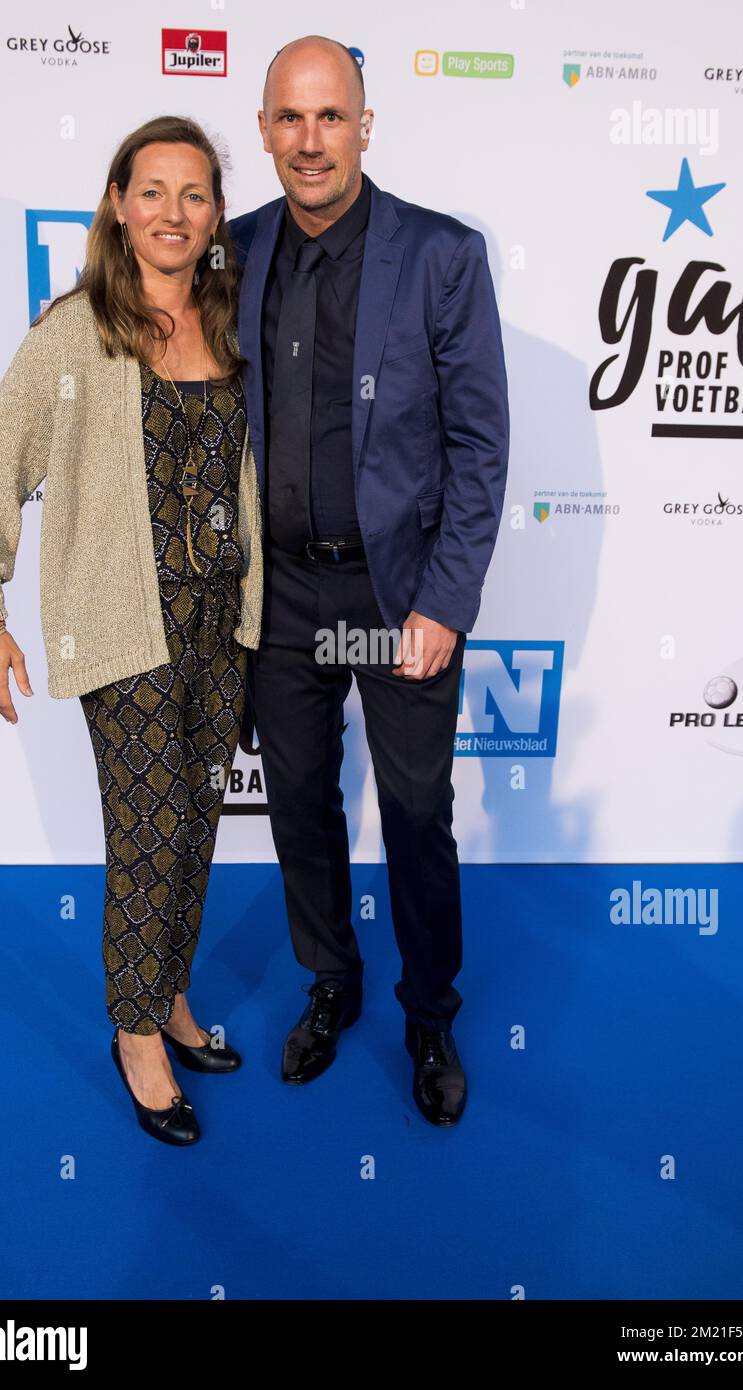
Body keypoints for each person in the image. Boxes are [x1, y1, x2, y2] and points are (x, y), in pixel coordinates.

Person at [0, 116, 264, 1147]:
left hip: (225, 620)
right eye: (152, 190)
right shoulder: (76, 330)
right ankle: (133, 1035)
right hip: (126, 622)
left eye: (195, 194)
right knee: (151, 831)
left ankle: (167, 993)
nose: (173, 212)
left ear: (216, 215)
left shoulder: (232, 319)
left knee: (199, 826)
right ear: (118, 205)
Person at [227, 36, 509, 1126]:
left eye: (329, 117)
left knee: (412, 811)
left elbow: (479, 446)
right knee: (298, 803)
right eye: (289, 120)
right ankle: (330, 981)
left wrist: (443, 601)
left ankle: (427, 1008)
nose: (309, 142)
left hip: (396, 601)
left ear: (363, 125)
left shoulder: (439, 255)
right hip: (283, 597)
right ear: (262, 130)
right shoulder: (235, 250)